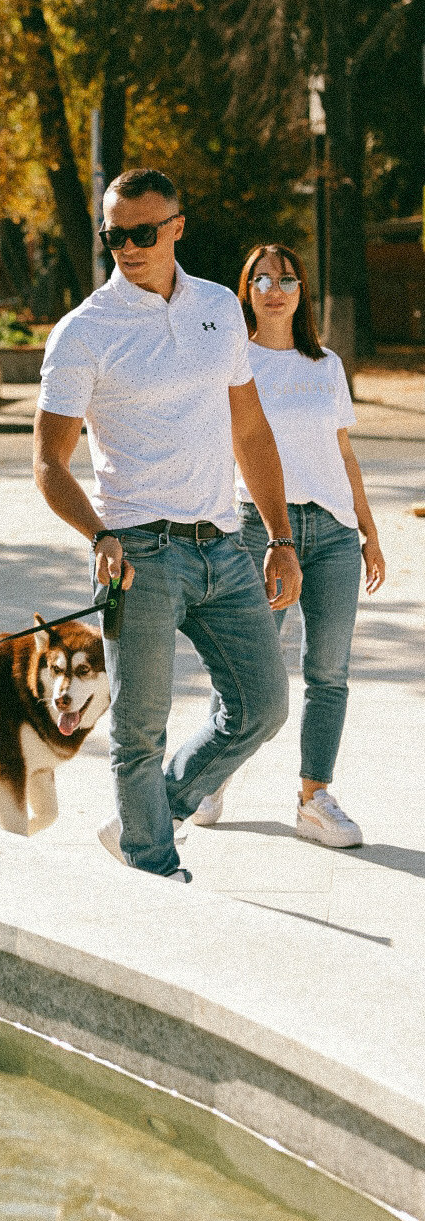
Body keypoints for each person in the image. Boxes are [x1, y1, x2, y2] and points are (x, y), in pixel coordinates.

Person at [33, 169, 302, 880]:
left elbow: (251, 431)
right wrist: (100, 537)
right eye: (113, 235)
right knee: (136, 734)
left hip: (225, 546)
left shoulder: (218, 306)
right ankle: (155, 865)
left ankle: (142, 817)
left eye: (142, 233)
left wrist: (278, 537)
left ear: (177, 227)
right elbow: (49, 463)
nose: (126, 247)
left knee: (262, 709)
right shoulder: (83, 332)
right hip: (139, 554)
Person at [191, 243, 384, 847]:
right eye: (263, 279)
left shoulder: (325, 363)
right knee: (253, 669)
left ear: (302, 292)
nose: (277, 289)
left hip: (331, 531)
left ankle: (314, 797)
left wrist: (369, 529)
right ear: (245, 290)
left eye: (289, 279)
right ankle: (210, 775)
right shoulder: (231, 361)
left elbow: (343, 452)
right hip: (259, 531)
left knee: (329, 670)